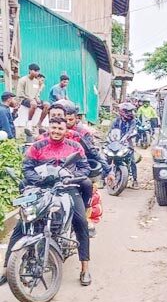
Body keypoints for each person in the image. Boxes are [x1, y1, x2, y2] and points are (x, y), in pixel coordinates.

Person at [0, 113, 92, 287]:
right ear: (49, 128)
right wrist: (38, 181)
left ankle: (85, 268)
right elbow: (27, 168)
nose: (56, 131)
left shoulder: (75, 146)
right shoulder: (37, 146)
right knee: (22, 224)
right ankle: (6, 269)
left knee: (81, 223)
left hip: (67, 188)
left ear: (66, 131)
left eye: (60, 129)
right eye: (54, 128)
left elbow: (84, 168)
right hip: (41, 188)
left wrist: (71, 177)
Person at [110, 102, 139, 188]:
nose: (130, 113)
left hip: (127, 142)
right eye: (128, 111)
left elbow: (131, 130)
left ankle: (135, 180)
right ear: (122, 112)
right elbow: (111, 131)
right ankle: (102, 178)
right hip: (116, 142)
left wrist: (127, 137)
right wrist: (108, 139)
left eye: (131, 111)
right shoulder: (116, 120)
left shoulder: (133, 121)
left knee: (132, 160)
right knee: (108, 157)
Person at [16, 63, 49, 129]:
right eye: (35, 71)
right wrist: (31, 99)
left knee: (47, 104)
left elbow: (36, 93)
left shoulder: (36, 81)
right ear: (30, 70)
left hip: (33, 99)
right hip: (24, 99)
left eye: (38, 71)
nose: (37, 73)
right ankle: (29, 121)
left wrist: (37, 98)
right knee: (33, 104)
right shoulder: (23, 80)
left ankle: (39, 123)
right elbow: (20, 94)